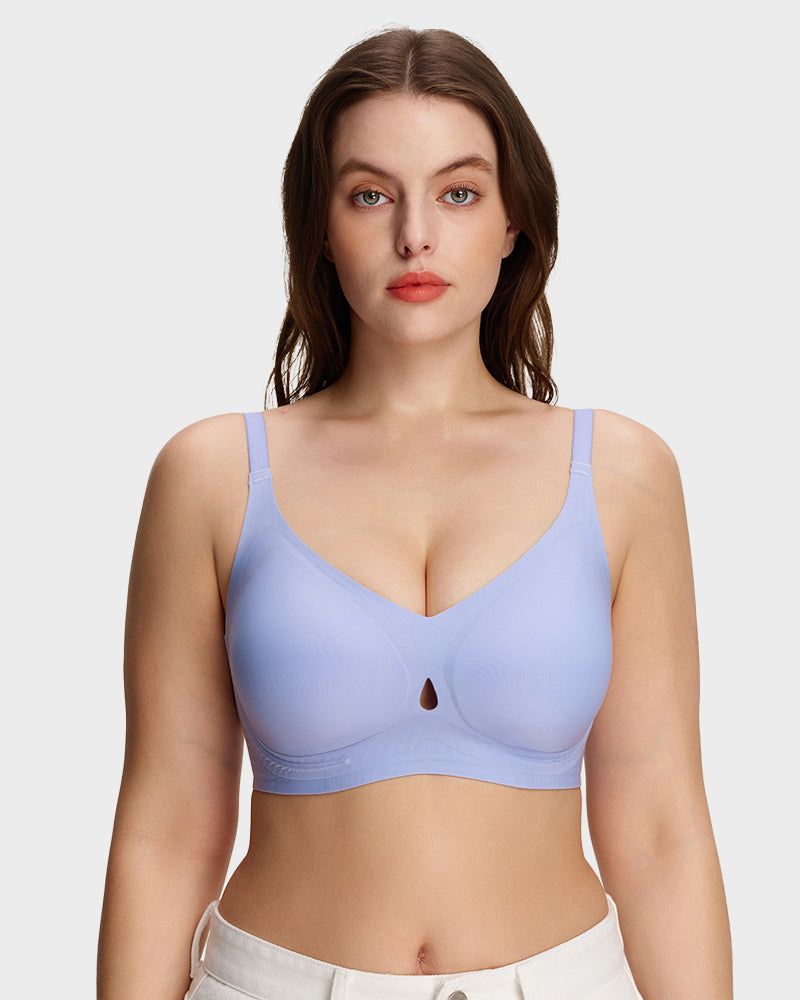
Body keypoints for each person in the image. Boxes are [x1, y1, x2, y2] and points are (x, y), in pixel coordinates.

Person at [97, 26, 733, 1000]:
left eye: (458, 192)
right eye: (370, 194)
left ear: (514, 219)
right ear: (319, 224)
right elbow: (167, 829)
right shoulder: (213, 476)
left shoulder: (621, 474)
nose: (415, 236)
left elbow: (659, 832)